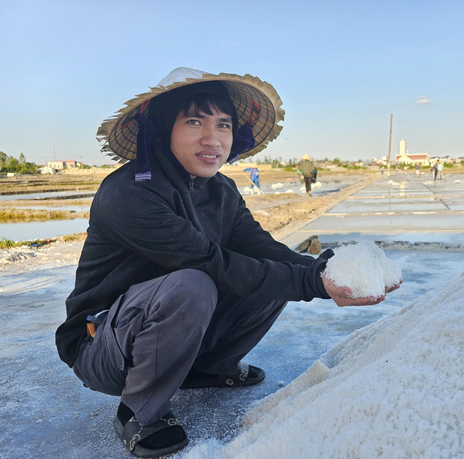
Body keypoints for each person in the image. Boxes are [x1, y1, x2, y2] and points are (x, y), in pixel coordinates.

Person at [55, 67, 399, 458]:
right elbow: (206, 261)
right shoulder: (129, 192)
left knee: (271, 278)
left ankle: (208, 368)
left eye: (223, 125)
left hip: (167, 320)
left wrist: (324, 270)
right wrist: (313, 286)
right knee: (195, 283)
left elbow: (259, 247)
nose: (212, 138)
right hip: (101, 344)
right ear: (163, 128)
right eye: (194, 121)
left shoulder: (221, 190)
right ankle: (138, 408)